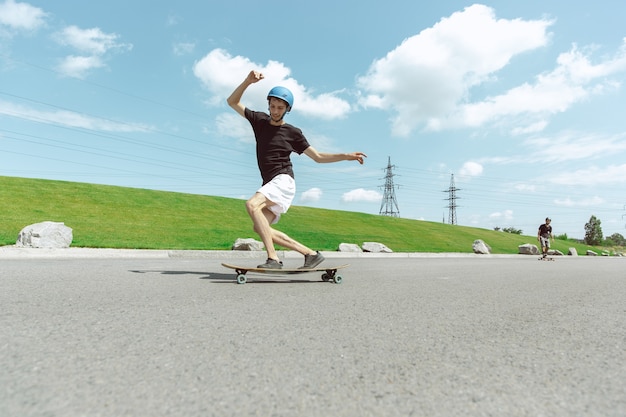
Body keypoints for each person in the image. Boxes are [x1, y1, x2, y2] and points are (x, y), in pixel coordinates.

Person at [227, 70, 367, 269]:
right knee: (260, 228)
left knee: (251, 205)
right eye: (272, 106)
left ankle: (273, 259)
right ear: (268, 105)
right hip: (271, 183)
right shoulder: (259, 121)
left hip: (283, 180)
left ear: (287, 109)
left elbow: (317, 157)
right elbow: (232, 102)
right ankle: (310, 254)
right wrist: (248, 82)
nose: (275, 111)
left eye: (280, 108)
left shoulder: (293, 133)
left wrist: (345, 156)